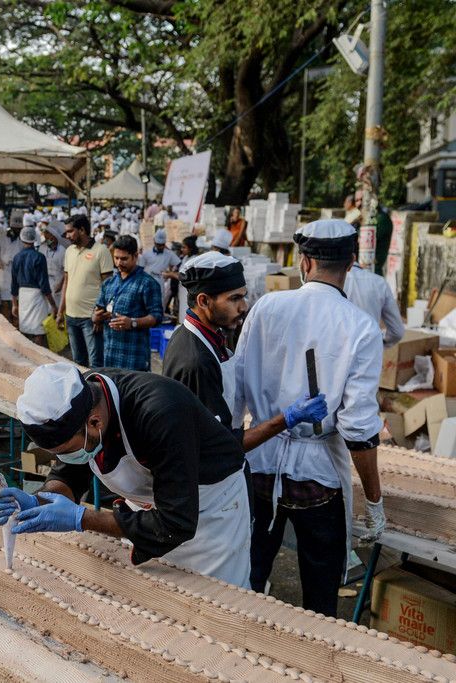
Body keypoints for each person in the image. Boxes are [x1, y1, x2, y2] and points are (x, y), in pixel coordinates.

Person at [233, 219, 386, 616]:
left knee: (245, 578)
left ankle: (236, 643)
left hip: (260, 463)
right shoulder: (361, 327)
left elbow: (236, 387)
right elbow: (358, 429)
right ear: (350, 264)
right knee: (320, 594)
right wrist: (374, 501)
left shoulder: (266, 307)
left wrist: (233, 451)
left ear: (304, 262)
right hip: (317, 481)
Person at [0, 362, 251, 587]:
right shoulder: (81, 401)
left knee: (213, 599)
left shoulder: (161, 412)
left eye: (67, 451)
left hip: (211, 509)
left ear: (95, 422)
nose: (64, 458)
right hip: (151, 507)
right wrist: (40, 501)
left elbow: (176, 523)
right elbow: (69, 474)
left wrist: (81, 518)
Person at [163, 252, 328, 451]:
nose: (244, 306)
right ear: (204, 301)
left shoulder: (203, 334)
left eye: (244, 296)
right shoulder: (197, 362)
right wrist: (287, 418)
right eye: (234, 299)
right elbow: (221, 446)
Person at [92, 235, 162, 371]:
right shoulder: (109, 283)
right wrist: (96, 317)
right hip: (109, 356)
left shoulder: (147, 283)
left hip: (134, 357)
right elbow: (97, 310)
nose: (119, 263)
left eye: (124, 259)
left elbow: (157, 316)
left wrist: (133, 322)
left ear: (135, 256)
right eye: (116, 258)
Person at [58, 214, 114, 367]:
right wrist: (60, 311)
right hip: (71, 316)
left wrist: (100, 314)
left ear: (82, 230)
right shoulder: (69, 251)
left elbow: (108, 287)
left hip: (91, 317)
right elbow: (66, 282)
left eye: (70, 231)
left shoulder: (101, 251)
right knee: (78, 362)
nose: (67, 236)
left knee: (96, 362)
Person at [343, 249, 404, 347]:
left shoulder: (325, 285)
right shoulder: (379, 283)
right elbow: (397, 332)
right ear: (354, 257)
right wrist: (377, 341)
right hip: (370, 351)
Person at [11, 226, 57, 346]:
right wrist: (53, 305)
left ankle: (25, 353)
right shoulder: (40, 257)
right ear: (35, 239)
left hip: (23, 296)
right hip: (37, 296)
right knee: (38, 332)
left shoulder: (16, 257)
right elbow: (44, 285)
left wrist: (14, 304)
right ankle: (39, 352)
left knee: (24, 329)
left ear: (21, 239)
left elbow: (14, 284)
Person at [138, 229, 180, 311]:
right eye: (158, 244)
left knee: (159, 302)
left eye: (162, 245)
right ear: (154, 242)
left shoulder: (169, 254)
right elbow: (140, 268)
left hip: (160, 280)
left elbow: (179, 264)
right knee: (145, 301)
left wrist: (171, 272)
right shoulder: (146, 253)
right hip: (147, 280)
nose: (160, 247)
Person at [0, 221, 22, 324]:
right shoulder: (0, 238)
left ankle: (16, 323)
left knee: (17, 300)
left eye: (20, 230)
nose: (18, 232)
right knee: (5, 301)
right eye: (16, 230)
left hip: (17, 271)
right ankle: (6, 323)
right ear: (11, 228)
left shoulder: (21, 239)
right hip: (4, 271)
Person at [39, 222, 66, 309]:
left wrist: (60, 285)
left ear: (55, 237)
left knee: (55, 309)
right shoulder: (42, 248)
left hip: (57, 285)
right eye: (46, 234)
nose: (46, 237)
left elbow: (66, 271)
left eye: (49, 235)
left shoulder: (63, 251)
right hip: (44, 283)